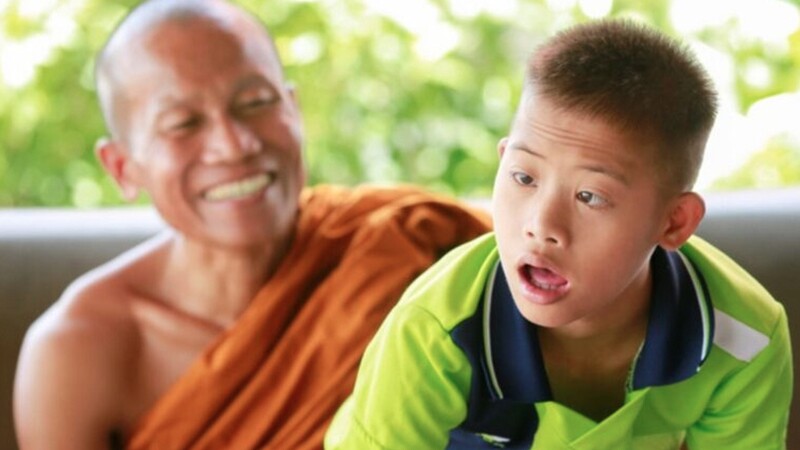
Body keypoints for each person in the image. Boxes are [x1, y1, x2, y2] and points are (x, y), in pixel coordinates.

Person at [12, 1, 491, 449]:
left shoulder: (403, 241)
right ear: (121, 167)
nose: (234, 144)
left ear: (293, 110)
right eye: (183, 123)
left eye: (256, 102)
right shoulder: (77, 349)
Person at [325, 19, 792, 450]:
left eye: (590, 197)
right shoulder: (435, 329)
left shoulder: (745, 338)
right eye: (524, 178)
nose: (541, 226)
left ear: (673, 223)